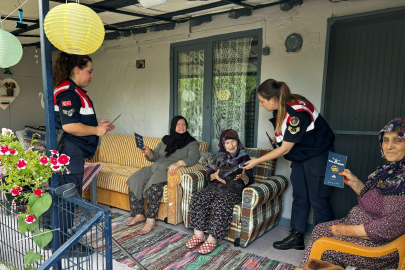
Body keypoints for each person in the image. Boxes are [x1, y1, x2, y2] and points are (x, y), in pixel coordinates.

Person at [299, 117, 405, 270]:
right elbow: (376, 202)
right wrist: (354, 182)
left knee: (322, 244)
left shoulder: (402, 181)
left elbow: (387, 227)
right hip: (366, 232)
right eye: (385, 140)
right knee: (320, 230)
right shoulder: (391, 171)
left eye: (397, 141)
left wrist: (342, 231)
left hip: (380, 247)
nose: (389, 146)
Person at [243, 79, 335, 250]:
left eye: (262, 101)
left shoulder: (296, 113)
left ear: (272, 100)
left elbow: (285, 149)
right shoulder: (283, 109)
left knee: (319, 200)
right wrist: (277, 143)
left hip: (319, 157)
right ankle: (297, 236)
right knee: (300, 196)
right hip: (301, 156)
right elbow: (287, 141)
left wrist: (256, 160)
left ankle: (330, 245)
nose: (261, 105)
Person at [53, 52, 114, 198]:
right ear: (77, 70)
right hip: (69, 150)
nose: (92, 76)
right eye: (90, 71)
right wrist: (96, 130)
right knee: (70, 198)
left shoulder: (72, 90)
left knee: (67, 198)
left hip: (70, 150)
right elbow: (69, 126)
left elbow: (71, 119)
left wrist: (95, 123)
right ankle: (64, 222)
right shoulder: (69, 93)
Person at [126, 115, 200, 234]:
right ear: (173, 126)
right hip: (154, 167)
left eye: (184, 124)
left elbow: (194, 158)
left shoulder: (191, 142)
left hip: (166, 170)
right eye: (178, 124)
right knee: (134, 179)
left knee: (153, 188)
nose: (181, 127)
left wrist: (178, 163)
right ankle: (138, 214)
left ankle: (150, 221)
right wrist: (149, 152)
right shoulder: (166, 139)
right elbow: (155, 155)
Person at [186, 129, 253, 254]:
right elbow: (209, 174)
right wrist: (213, 177)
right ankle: (199, 235)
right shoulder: (219, 156)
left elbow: (250, 181)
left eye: (233, 142)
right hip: (215, 187)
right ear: (223, 144)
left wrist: (244, 177)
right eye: (227, 143)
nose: (231, 145)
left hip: (232, 191)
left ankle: (212, 240)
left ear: (238, 142)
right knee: (197, 198)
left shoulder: (245, 157)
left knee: (220, 204)